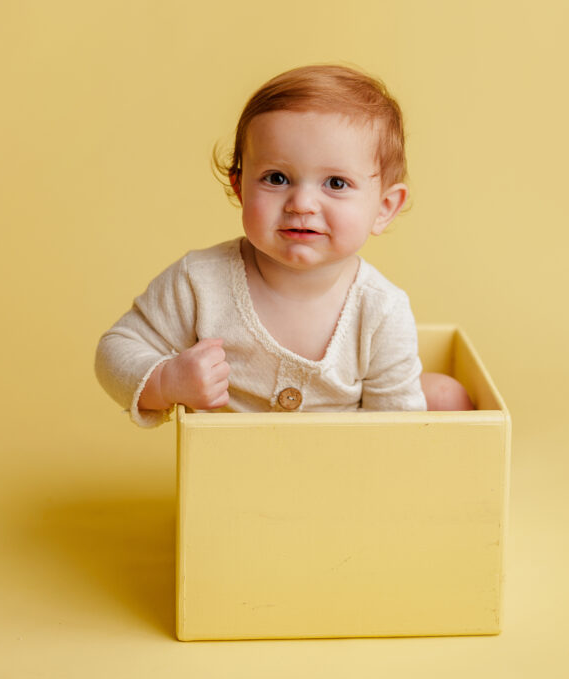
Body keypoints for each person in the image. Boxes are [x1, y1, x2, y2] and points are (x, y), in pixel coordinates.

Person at [95, 64, 472, 427]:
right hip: (232, 471)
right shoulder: (200, 282)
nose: (302, 204)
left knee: (444, 395)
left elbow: (394, 430)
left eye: (336, 183)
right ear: (240, 187)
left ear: (384, 208)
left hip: (344, 472)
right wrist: (165, 381)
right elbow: (116, 349)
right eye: (276, 178)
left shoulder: (381, 310)